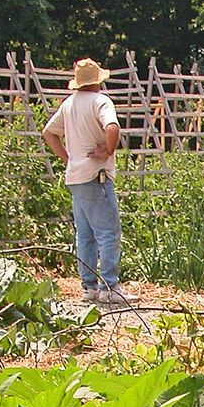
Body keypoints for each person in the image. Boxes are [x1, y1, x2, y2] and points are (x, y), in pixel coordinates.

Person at [42, 57, 139, 304]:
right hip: (97, 175)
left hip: (75, 176)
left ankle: (89, 287)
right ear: (97, 82)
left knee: (84, 234)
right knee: (108, 232)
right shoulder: (100, 101)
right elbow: (113, 128)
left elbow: (48, 133)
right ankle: (110, 286)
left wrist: (67, 158)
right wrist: (108, 150)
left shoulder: (69, 104)